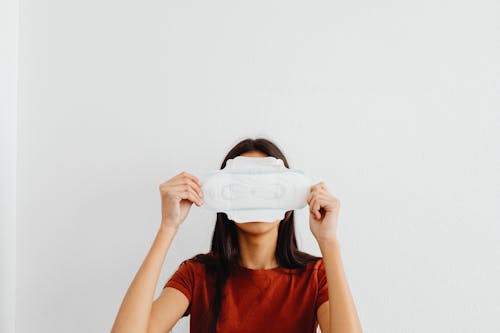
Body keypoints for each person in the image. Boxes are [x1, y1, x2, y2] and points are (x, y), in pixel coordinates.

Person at [111, 138, 362, 333]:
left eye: (268, 188)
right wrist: (168, 227)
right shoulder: (196, 275)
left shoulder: (315, 277)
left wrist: (328, 242)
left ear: (288, 200)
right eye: (240, 188)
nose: (254, 194)